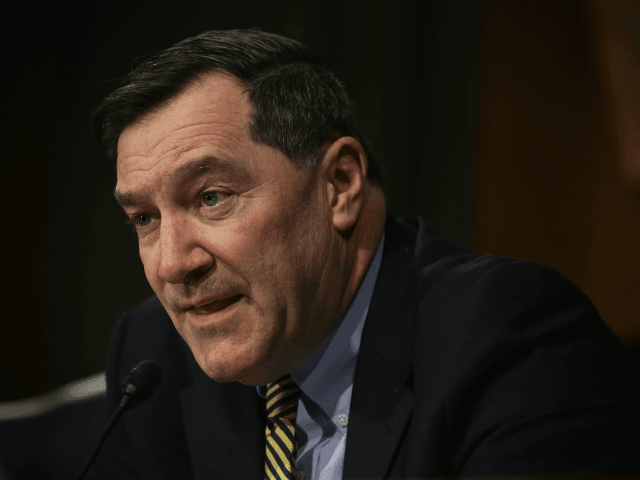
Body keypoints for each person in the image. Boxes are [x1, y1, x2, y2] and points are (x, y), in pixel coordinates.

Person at [87, 28, 640, 479]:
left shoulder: (508, 336)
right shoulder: (153, 356)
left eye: (211, 197)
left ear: (340, 184)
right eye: (145, 219)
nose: (172, 264)